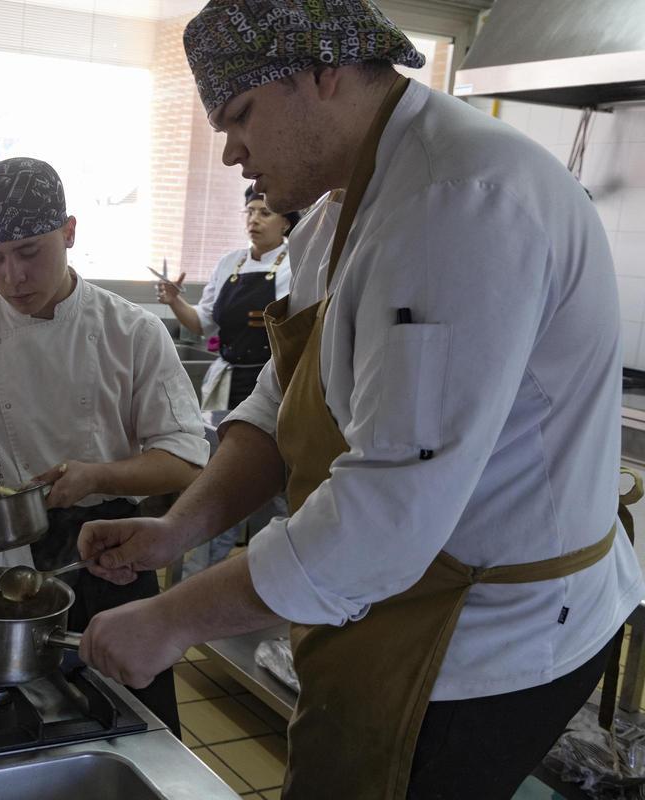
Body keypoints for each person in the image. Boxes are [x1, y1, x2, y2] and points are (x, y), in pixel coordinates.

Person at [75, 1, 645, 797]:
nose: (230, 151)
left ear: (323, 71)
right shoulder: (340, 211)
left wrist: (172, 620)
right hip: (394, 602)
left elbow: (387, 510)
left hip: (479, 641)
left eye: (240, 115)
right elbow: (283, 403)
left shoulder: (458, 202)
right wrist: (180, 527)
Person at [0, 156, 209, 736]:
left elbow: (184, 459)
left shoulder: (133, 331)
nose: (13, 277)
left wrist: (99, 476)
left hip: (107, 556)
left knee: (132, 728)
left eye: (30, 252)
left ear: (70, 232)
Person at [158, 186, 300, 410]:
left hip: (272, 379)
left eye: (264, 213)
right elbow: (202, 323)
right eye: (249, 212)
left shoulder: (295, 264)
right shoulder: (229, 263)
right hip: (227, 377)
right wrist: (174, 301)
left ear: (286, 223)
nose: (253, 220)